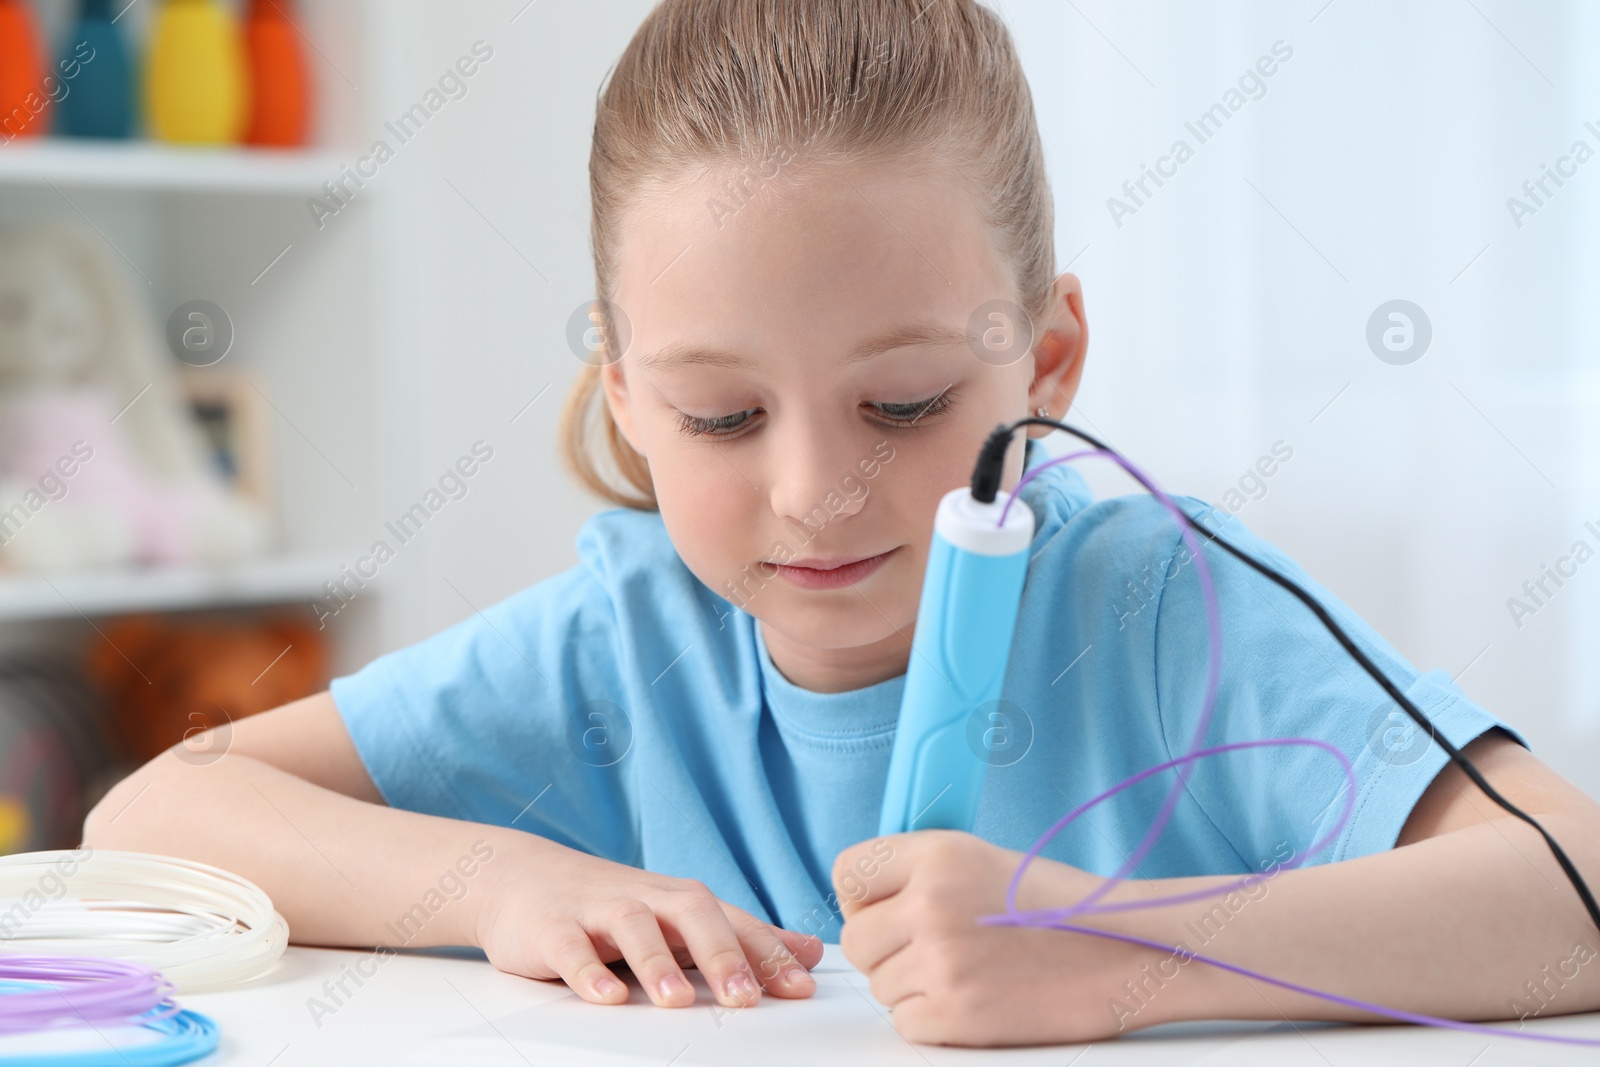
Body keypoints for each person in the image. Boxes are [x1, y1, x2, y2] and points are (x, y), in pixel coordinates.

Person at [87, 0, 1600, 1047]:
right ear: (625, 398)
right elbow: (151, 817)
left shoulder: (1160, 602)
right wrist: (507, 886)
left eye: (905, 403)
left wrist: (1119, 954)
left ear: (1047, 361)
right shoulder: (624, 644)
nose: (815, 493)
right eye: (723, 418)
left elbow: (1574, 898)